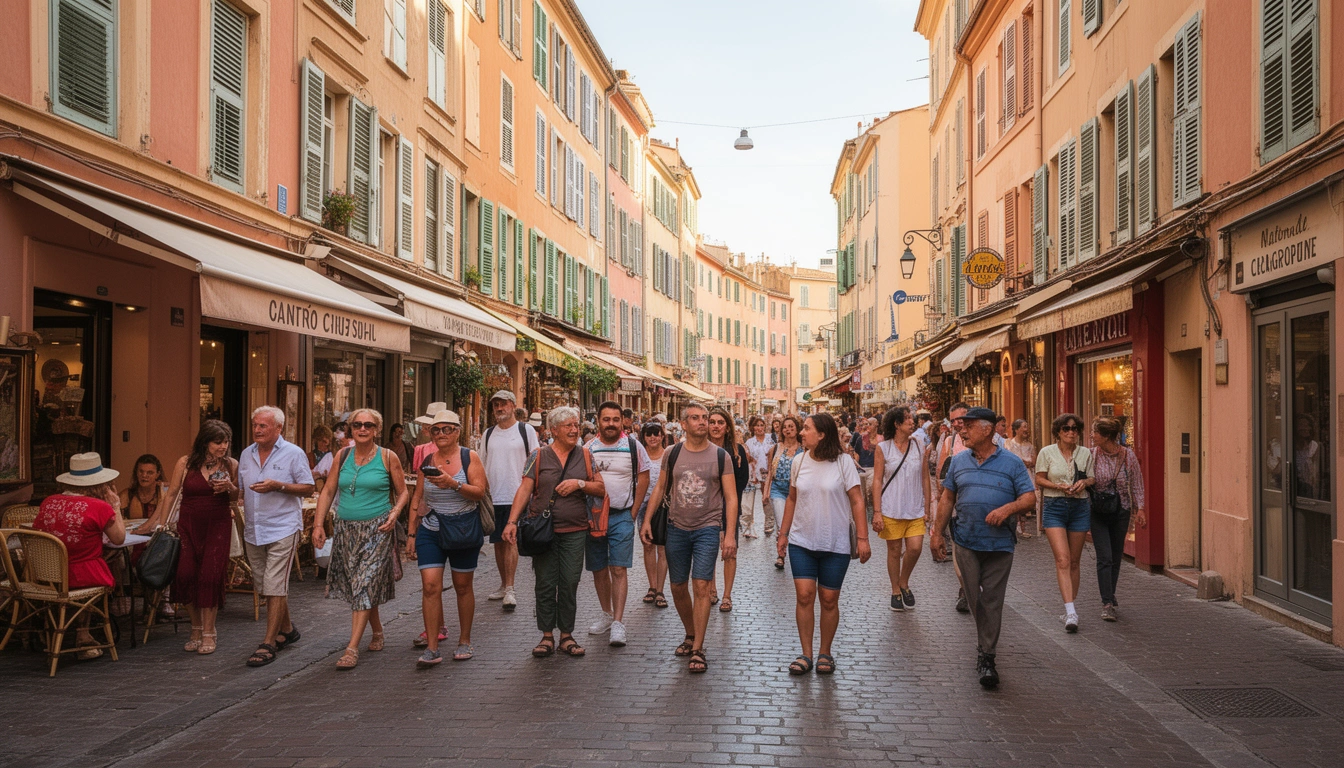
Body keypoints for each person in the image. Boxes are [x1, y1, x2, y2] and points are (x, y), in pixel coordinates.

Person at [930, 407, 1036, 689]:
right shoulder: (958, 461)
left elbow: (1029, 498)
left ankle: (987, 656)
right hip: (966, 541)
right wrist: (936, 533)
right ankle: (985, 642)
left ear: (987, 429)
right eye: (960, 426)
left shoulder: (1012, 464)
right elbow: (947, 498)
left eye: (967, 426)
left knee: (992, 600)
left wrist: (1008, 509)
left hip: (1000, 545)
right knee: (975, 600)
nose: (961, 431)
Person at [640, 403, 737, 674]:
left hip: (707, 527)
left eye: (705, 418)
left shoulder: (720, 456)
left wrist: (729, 535)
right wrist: (646, 520)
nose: (702, 422)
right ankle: (691, 632)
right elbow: (660, 487)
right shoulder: (672, 453)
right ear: (683, 424)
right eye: (695, 418)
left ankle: (698, 648)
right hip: (676, 528)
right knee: (677, 587)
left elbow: (731, 497)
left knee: (702, 586)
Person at [503, 407, 605, 659]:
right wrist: (511, 521)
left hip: (576, 529)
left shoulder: (585, 455)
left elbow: (601, 489)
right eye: (569, 426)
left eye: (576, 426)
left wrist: (580, 484)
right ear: (554, 430)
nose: (574, 430)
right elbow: (525, 489)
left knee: (569, 582)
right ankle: (547, 635)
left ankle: (566, 635)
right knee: (546, 583)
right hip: (543, 531)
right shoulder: (538, 456)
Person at [311, 408, 408, 669]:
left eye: (368, 425)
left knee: (364, 583)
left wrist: (395, 513)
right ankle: (376, 630)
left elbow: (403, 493)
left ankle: (351, 647)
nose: (362, 429)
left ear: (376, 429)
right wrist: (318, 524)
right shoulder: (342, 456)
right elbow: (329, 489)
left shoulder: (388, 458)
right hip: (346, 529)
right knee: (359, 585)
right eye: (356, 425)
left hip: (377, 529)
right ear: (350, 429)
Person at [778, 413, 869, 676]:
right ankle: (806, 653)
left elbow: (857, 501)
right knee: (804, 596)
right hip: (801, 540)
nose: (801, 432)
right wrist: (783, 534)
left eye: (806, 429)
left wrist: (862, 539)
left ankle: (824, 652)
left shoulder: (843, 463)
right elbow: (792, 499)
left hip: (836, 541)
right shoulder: (799, 460)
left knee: (829, 599)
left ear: (822, 434)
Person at [144, 419, 239, 655]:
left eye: (226, 441)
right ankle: (195, 626)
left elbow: (237, 497)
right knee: (185, 575)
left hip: (218, 525)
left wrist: (229, 487)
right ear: (205, 442)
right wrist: (162, 524)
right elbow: (171, 494)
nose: (222, 446)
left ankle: (208, 632)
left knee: (210, 576)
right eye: (218, 442)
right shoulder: (185, 463)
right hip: (188, 525)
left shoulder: (231, 464)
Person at [403, 409, 487, 666]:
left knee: (462, 586)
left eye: (446, 429)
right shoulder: (427, 458)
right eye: (436, 430)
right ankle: (431, 646)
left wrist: (454, 484)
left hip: (463, 528)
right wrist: (411, 533)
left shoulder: (469, 457)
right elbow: (418, 496)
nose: (440, 434)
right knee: (430, 586)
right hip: (431, 528)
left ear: (457, 431)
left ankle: (465, 640)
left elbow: (480, 492)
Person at [236, 406, 316, 667]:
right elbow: (240, 493)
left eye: (263, 426)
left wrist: (278, 486)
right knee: (267, 586)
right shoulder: (246, 455)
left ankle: (269, 642)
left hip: (283, 527)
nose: (257, 430)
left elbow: (308, 488)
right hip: (254, 529)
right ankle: (288, 629)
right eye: (255, 425)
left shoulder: (294, 453)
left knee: (273, 583)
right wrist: (228, 490)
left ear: (278, 428)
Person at [33, 452, 127, 659]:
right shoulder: (99, 507)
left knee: (90, 562)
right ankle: (83, 635)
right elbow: (119, 538)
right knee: (99, 563)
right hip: (78, 576)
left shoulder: (48, 502)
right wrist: (116, 506)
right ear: (100, 484)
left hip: (46, 574)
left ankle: (54, 629)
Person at [584, 401, 651, 646]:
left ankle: (619, 623)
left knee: (618, 569)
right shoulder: (588, 447)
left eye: (615, 419)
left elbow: (644, 477)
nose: (611, 424)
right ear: (598, 421)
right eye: (606, 419)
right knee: (599, 569)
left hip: (622, 515)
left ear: (622, 421)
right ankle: (606, 614)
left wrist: (633, 513)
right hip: (594, 516)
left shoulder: (633, 446)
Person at [1035, 413, 1094, 633]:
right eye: (1066, 429)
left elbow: (1092, 478)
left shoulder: (1085, 453)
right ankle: (1071, 612)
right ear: (1058, 432)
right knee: (1063, 559)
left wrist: (1084, 482)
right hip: (1055, 506)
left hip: (1079, 507)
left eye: (1075, 429)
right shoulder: (1046, 452)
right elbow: (1039, 478)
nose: (1071, 432)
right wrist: (1058, 486)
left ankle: (1071, 605)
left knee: (1075, 561)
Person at [481, 390, 537, 613]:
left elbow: (535, 459)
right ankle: (504, 585)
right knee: (497, 542)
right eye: (496, 405)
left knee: (511, 539)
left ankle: (511, 589)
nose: (499, 408)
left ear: (513, 406)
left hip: (517, 494)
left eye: (503, 404)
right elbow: (483, 464)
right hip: (494, 495)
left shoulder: (525, 430)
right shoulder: (488, 434)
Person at [872, 406, 931, 612]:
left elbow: (925, 477)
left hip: (915, 507)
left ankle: (904, 581)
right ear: (896, 424)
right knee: (894, 551)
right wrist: (877, 511)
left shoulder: (918, 445)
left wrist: (928, 505)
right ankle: (895, 590)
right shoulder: (883, 448)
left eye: (911, 418)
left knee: (915, 548)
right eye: (906, 419)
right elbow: (877, 480)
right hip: (891, 508)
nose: (911, 421)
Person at [1089, 416, 1146, 622]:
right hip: (1097, 512)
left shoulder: (1127, 456)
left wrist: (1141, 509)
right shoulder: (1091, 455)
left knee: (1115, 556)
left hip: (1121, 510)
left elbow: (1137, 483)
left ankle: (1110, 594)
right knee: (1104, 557)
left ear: (1105, 436)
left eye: (1095, 432)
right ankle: (1107, 603)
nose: (1092, 435)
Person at [708, 408, 749, 612]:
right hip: (706, 509)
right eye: (712, 422)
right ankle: (712, 590)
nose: (715, 426)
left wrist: (731, 504)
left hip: (729, 507)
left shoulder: (737, 451)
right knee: (709, 550)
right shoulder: (700, 449)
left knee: (730, 551)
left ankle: (727, 595)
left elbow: (742, 482)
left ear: (727, 427)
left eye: (720, 422)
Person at [636, 422, 669, 609]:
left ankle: (661, 590)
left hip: (662, 506)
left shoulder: (668, 454)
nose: (653, 438)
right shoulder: (640, 455)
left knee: (662, 548)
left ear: (662, 436)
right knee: (648, 546)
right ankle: (652, 586)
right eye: (649, 434)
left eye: (656, 434)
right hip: (643, 505)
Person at [766, 416, 804, 569]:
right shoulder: (776, 448)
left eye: (791, 427)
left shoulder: (804, 448)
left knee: (796, 524)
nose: (788, 430)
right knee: (782, 523)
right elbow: (770, 471)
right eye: (785, 427)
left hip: (797, 491)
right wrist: (765, 492)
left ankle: (797, 552)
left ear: (797, 429)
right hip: (778, 489)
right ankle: (781, 555)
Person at [1004, 419, 1038, 538]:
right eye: (1024, 427)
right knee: (1016, 500)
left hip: (1028, 474)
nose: (1026, 430)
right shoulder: (1009, 444)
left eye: (1027, 427)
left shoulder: (1029, 446)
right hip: (1015, 475)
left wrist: (1027, 463)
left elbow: (1034, 461)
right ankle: (1016, 526)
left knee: (1026, 501)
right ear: (1016, 429)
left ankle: (1023, 529)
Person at [741, 416, 773, 539]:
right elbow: (748, 459)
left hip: (767, 473)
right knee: (749, 500)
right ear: (753, 428)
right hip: (753, 473)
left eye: (761, 425)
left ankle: (769, 522)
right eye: (757, 425)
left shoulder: (771, 440)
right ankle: (747, 525)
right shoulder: (749, 442)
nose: (760, 428)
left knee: (766, 498)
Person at [118, 454, 167, 521]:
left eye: (149, 472)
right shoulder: (126, 496)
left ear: (157, 474)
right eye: (141, 471)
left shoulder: (163, 494)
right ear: (136, 473)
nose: (144, 475)